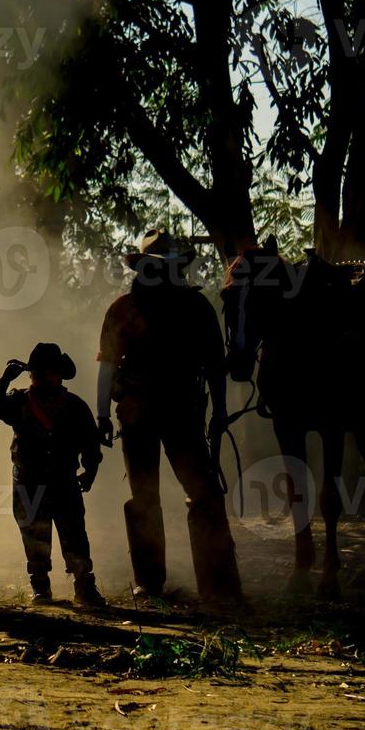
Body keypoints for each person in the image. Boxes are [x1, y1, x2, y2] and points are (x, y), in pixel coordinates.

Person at [95, 229, 243, 608]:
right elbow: (108, 366)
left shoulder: (196, 309)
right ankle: (149, 584)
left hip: (183, 413)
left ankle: (219, 588)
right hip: (139, 414)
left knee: (204, 495)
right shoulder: (123, 310)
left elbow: (214, 366)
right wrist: (100, 413)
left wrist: (222, 411)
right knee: (145, 498)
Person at [0, 343, 106, 607]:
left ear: (59, 374)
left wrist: (90, 471)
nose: (42, 377)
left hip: (64, 481)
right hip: (27, 482)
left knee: (74, 535)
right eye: (38, 373)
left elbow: (90, 443)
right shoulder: (19, 401)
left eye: (48, 372)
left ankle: (84, 586)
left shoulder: (75, 406)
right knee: (33, 535)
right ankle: (41, 588)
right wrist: (5, 378)